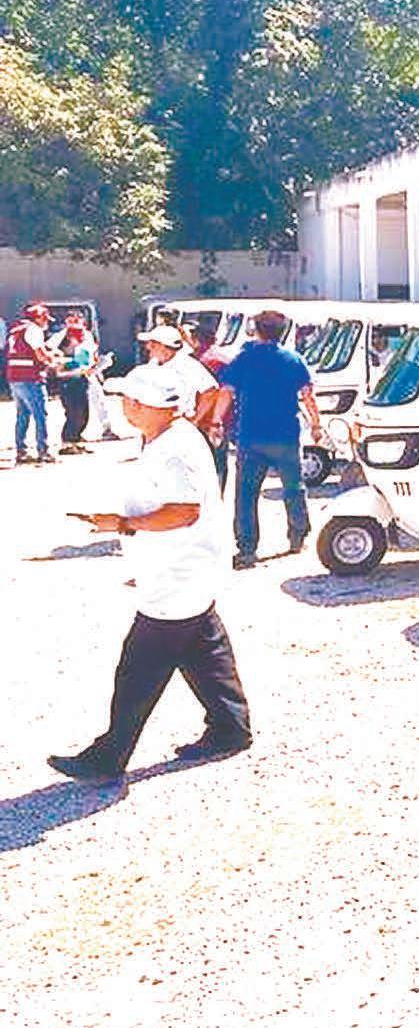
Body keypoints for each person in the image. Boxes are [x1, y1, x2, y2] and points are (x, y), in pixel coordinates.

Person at [47, 370, 248, 780]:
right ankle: (230, 728)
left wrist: (121, 524)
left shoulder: (173, 449)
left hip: (179, 576)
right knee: (205, 650)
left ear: (142, 405)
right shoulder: (174, 435)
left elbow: (184, 511)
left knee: (137, 669)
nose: (125, 407)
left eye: (128, 401)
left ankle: (108, 758)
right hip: (185, 571)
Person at [214, 309, 324, 568]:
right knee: (293, 487)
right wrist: (316, 425)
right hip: (286, 435)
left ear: (256, 330)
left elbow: (226, 392)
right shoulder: (293, 359)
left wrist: (216, 421)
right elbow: (308, 395)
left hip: (250, 436)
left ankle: (247, 548)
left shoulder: (244, 359)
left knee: (246, 494)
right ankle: (297, 535)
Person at [140, 324, 222, 434]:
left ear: (165, 347)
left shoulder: (187, 365)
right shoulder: (154, 363)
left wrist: (195, 421)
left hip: (178, 424)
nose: (148, 347)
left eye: (153, 344)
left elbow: (210, 391)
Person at [7, 301, 54, 466]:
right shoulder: (34, 330)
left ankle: (21, 451)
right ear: (38, 318)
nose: (46, 322)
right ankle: (44, 451)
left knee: (22, 415)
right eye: (45, 319)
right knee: (40, 414)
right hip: (30, 378)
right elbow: (40, 355)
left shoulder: (16, 329)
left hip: (14, 377)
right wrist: (52, 360)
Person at [188, 322, 230, 483]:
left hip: (203, 418)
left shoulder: (200, 360)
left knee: (201, 463)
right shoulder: (224, 358)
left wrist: (196, 419)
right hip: (224, 417)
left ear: (196, 340)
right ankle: (218, 494)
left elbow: (211, 393)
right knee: (220, 462)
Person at [50, 311, 97, 454]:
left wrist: (93, 365)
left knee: (84, 412)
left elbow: (90, 354)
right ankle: (67, 443)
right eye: (70, 321)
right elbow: (50, 353)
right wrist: (66, 361)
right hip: (67, 378)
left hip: (82, 377)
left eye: (77, 320)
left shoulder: (87, 335)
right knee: (72, 412)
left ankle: (76, 440)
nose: (74, 324)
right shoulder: (59, 336)